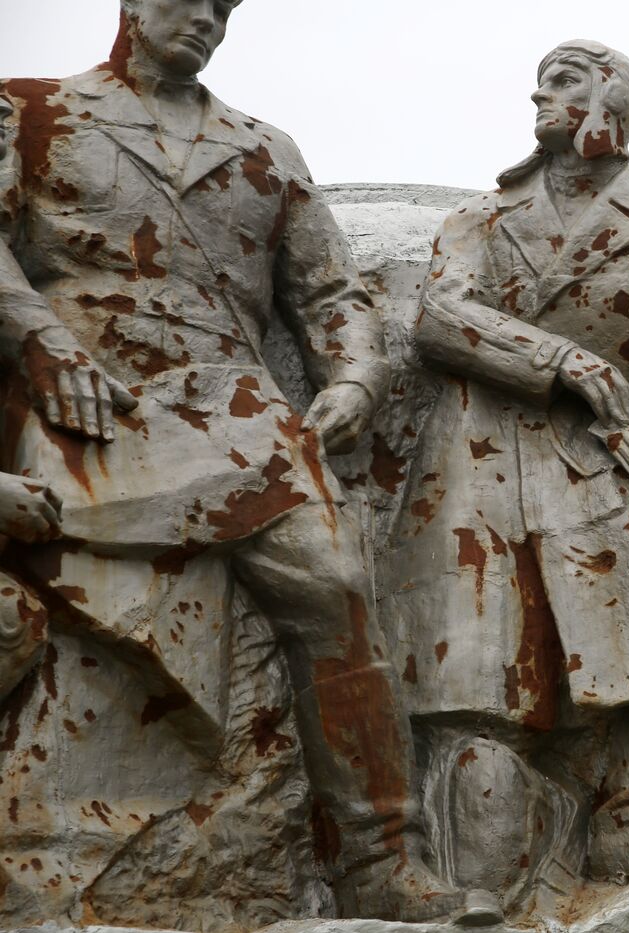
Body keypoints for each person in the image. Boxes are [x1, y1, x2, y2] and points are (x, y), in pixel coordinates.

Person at [0, 1, 490, 921]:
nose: (208, 18)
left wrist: (355, 375)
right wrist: (40, 342)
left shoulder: (266, 148)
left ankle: (381, 859)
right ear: (132, 6)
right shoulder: (29, 108)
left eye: (225, 7)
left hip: (237, 405)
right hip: (91, 396)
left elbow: (331, 290)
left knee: (339, 584)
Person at [390, 39, 629, 890]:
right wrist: (560, 359)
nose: (539, 91)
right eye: (544, 79)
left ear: (612, 102)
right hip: (479, 457)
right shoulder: (478, 221)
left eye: (563, 79)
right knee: (494, 670)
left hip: (612, 457)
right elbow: (439, 318)